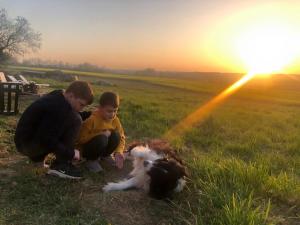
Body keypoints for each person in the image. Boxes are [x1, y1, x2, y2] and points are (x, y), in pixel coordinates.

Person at [14, 81, 94, 179]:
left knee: (74, 116)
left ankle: (37, 158)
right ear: (71, 95)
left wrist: (91, 114)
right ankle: (61, 165)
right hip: (27, 145)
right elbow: (46, 139)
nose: (81, 108)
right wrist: (70, 153)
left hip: (25, 141)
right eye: (81, 104)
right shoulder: (57, 108)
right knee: (76, 119)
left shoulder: (59, 96)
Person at [76, 91, 125, 172]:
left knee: (116, 135)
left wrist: (119, 152)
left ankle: (105, 155)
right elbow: (80, 139)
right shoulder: (92, 120)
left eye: (115, 111)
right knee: (102, 138)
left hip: (102, 146)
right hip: (87, 149)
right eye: (109, 111)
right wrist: (100, 134)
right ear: (100, 108)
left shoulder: (115, 119)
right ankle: (91, 160)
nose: (112, 114)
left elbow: (122, 136)